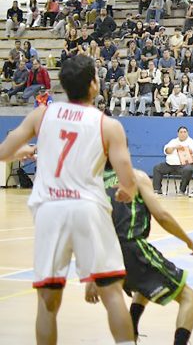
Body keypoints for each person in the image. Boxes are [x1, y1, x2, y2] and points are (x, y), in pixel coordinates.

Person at [0, 55, 137, 345]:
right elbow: (127, 180)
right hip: (88, 208)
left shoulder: (42, 115)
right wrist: (127, 191)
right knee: (112, 292)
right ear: (94, 85)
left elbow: (4, 152)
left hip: (49, 209)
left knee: (47, 301)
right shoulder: (108, 125)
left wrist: (22, 152)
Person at [85, 168, 193, 345]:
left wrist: (91, 275)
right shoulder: (136, 176)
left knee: (144, 283)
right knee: (189, 297)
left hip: (108, 255)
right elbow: (162, 216)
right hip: (132, 248)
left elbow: (91, 229)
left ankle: (132, 330)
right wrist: (189, 241)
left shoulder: (95, 182)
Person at [152, 126, 193, 195]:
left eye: (184, 132)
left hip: (185, 165)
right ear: (178, 133)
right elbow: (166, 151)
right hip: (170, 165)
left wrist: (190, 151)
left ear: (187, 133)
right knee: (157, 168)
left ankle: (182, 190)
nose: (183, 134)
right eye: (181, 132)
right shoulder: (173, 141)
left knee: (188, 170)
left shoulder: (192, 143)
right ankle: (157, 189)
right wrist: (174, 147)